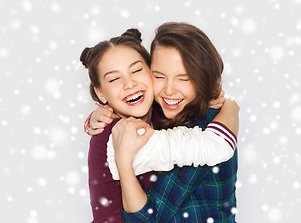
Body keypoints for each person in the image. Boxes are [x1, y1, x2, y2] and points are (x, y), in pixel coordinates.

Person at [81, 26, 239, 222]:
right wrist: (92, 120)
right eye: (160, 76)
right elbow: (105, 214)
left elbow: (148, 218)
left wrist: (231, 106)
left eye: (137, 70)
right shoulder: (107, 133)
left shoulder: (193, 124)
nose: (129, 84)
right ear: (101, 93)